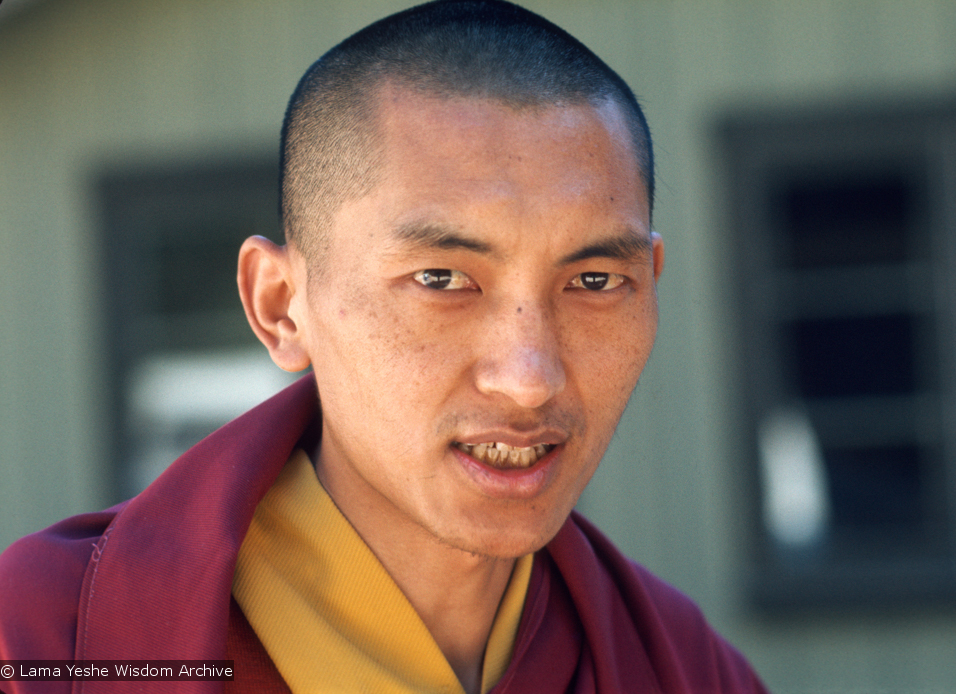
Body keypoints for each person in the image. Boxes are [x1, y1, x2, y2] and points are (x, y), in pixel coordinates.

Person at [0, 1, 769, 692]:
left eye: (595, 281)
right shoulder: (49, 642)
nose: (529, 379)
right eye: (441, 278)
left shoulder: (678, 666)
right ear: (280, 306)